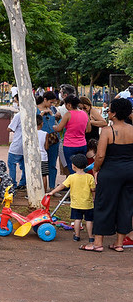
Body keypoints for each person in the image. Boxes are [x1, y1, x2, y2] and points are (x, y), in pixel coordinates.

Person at [80, 98, 133, 252]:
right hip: (130, 171)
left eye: (110, 110)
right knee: (126, 206)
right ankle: (119, 243)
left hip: (111, 172)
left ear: (115, 113)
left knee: (104, 205)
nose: (107, 112)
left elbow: (100, 156)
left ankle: (97, 243)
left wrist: (96, 169)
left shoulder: (108, 131)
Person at [48, 154, 95, 245]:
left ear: (74, 166)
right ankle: (91, 237)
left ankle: (77, 235)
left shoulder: (71, 177)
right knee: (89, 221)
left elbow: (62, 186)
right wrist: (94, 198)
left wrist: (52, 192)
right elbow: (93, 190)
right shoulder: (90, 177)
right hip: (88, 204)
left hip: (76, 204)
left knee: (77, 220)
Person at [53, 95, 90, 175]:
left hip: (70, 145)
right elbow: (87, 129)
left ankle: (74, 185)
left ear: (69, 105)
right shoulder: (84, 114)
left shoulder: (68, 114)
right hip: (82, 144)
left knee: (72, 168)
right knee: (81, 168)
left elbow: (59, 128)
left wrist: (54, 127)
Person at [6, 110, 26, 190]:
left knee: (11, 165)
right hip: (26, 146)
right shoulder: (32, 113)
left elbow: (9, 128)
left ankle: (13, 183)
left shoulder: (19, 115)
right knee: (24, 166)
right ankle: (23, 183)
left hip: (17, 145)